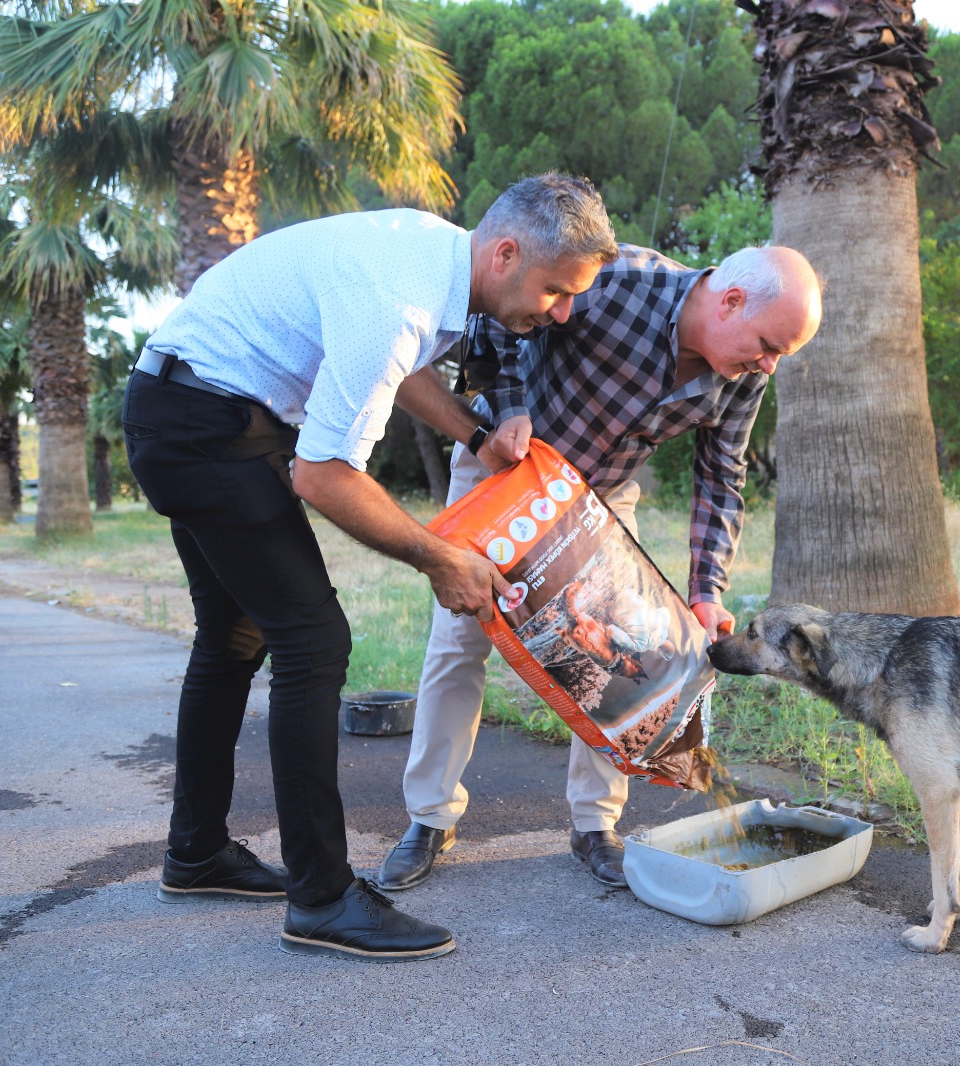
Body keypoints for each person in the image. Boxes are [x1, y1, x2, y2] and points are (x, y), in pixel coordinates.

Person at [122, 174, 619, 961]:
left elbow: (401, 366)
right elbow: (322, 476)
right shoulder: (399, 300)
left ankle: (197, 853)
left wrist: (473, 434)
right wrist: (436, 556)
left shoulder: (431, 259)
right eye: (555, 290)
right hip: (205, 427)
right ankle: (321, 898)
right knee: (314, 641)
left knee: (235, 635)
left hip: (188, 407)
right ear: (505, 254)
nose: (560, 313)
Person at [377, 243, 823, 891]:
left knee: (625, 652)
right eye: (768, 346)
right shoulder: (616, 280)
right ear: (730, 301)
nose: (770, 365)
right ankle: (429, 818)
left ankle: (595, 825)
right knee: (460, 639)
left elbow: (721, 475)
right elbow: (497, 315)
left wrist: (706, 591)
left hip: (601, 496)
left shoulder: (744, 371)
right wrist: (509, 409)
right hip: (504, 470)